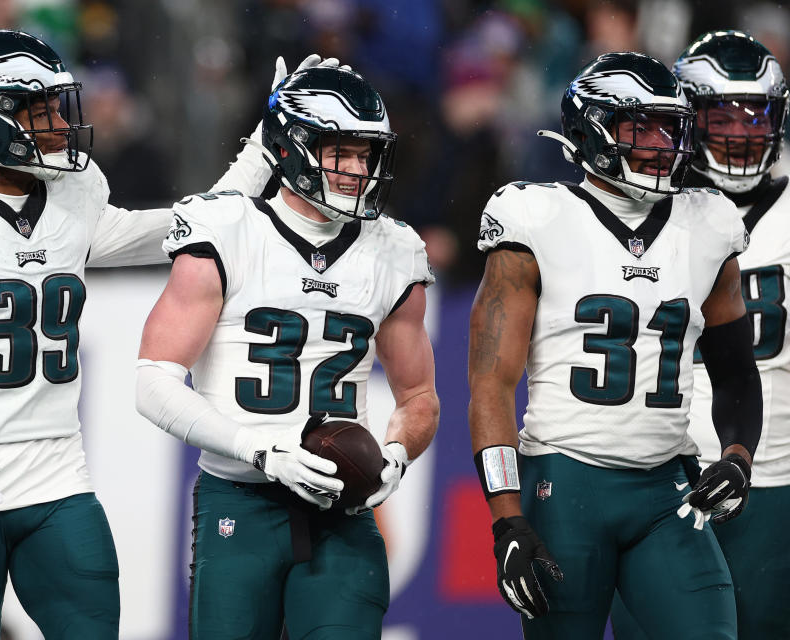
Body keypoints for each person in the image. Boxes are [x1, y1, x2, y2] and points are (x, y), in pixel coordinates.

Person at [0, 28, 338, 639]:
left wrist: (264, 152)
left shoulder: (72, 196)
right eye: (40, 108)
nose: (59, 122)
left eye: (57, 105)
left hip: (58, 476)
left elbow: (187, 227)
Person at [134, 65, 439, 639]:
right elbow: (152, 382)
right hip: (240, 501)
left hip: (344, 512)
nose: (357, 171)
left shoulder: (395, 250)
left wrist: (396, 454)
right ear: (294, 148)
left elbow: (419, 395)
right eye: (340, 153)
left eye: (366, 155)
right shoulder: (227, 228)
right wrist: (261, 450)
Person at [467, 51, 763, 639]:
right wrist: (507, 519)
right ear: (591, 129)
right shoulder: (535, 216)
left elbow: (734, 373)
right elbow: (491, 384)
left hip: (668, 490)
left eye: (668, 126)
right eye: (638, 126)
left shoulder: (709, 223)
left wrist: (737, 459)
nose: (659, 143)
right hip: (565, 484)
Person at [611, 30, 790, 640]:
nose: (741, 132)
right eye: (720, 114)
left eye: (756, 114)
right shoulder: (640, 209)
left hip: (777, 471)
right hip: (663, 470)